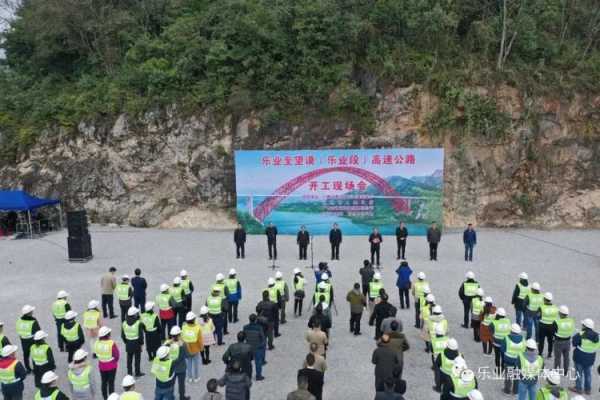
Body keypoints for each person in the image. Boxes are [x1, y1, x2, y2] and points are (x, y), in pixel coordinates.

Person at [570, 318, 599, 395]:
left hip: (579, 358)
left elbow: (574, 343)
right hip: (590, 359)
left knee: (578, 374)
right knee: (588, 374)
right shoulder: (597, 336)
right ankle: (588, 389)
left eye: (583, 325)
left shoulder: (580, 334)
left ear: (585, 326)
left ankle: (578, 388)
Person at [94, 326, 120, 400]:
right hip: (111, 366)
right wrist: (114, 361)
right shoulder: (111, 343)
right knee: (111, 383)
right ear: (107, 334)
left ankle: (105, 397)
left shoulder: (96, 343)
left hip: (102, 366)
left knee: (104, 382)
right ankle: (112, 397)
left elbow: (96, 353)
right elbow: (116, 355)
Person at [166, 326, 190, 400]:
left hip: (171, 368)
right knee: (181, 384)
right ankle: (182, 397)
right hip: (181, 368)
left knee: (171, 384)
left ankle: (171, 397)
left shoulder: (168, 343)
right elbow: (187, 355)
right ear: (179, 335)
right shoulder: (183, 344)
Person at [501, 324, 525, 395]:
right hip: (518, 361)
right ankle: (515, 391)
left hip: (509, 361)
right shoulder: (523, 339)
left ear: (511, 330)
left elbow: (502, 349)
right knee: (517, 376)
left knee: (508, 376)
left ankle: (507, 390)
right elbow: (524, 350)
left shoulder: (506, 338)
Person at [15, 304, 40, 373]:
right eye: (32, 311)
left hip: (23, 340)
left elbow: (18, 330)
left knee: (26, 354)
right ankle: (36, 369)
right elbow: (38, 331)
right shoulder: (33, 321)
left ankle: (28, 369)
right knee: (34, 354)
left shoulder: (19, 321)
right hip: (32, 340)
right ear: (29, 313)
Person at [121, 307, 144, 377]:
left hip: (128, 342)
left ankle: (129, 372)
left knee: (129, 358)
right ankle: (137, 372)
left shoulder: (124, 323)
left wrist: (126, 342)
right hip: (136, 343)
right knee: (137, 358)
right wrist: (141, 344)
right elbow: (141, 336)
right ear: (134, 315)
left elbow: (122, 335)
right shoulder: (138, 323)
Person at [243, 314, 266, 381]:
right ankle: (258, 376)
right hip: (257, 347)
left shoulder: (245, 327)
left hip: (248, 347)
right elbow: (263, 338)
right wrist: (261, 345)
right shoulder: (259, 328)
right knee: (258, 362)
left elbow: (244, 337)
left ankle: (247, 375)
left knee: (247, 362)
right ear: (256, 320)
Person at [182, 311, 203, 383]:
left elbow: (182, 338)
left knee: (188, 364)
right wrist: (201, 348)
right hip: (195, 349)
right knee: (196, 364)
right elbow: (200, 340)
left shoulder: (184, 327)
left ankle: (190, 378)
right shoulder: (197, 328)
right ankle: (196, 377)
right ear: (194, 319)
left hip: (187, 349)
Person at [552, 305, 575, 374]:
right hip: (567, 341)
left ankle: (557, 371)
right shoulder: (571, 321)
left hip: (558, 341)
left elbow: (553, 332)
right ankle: (565, 371)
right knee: (566, 357)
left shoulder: (556, 322)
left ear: (560, 313)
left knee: (557, 357)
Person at [489, 307, 511, 374]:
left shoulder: (493, 323)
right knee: (504, 356)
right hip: (506, 343)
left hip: (497, 343)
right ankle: (503, 368)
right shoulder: (508, 321)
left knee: (497, 356)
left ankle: (498, 370)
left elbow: (491, 332)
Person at [537, 292, 558, 359]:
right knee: (550, 341)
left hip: (543, 326)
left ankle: (540, 353)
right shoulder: (555, 308)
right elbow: (556, 318)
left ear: (544, 299)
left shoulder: (541, 307)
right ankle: (549, 353)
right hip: (551, 326)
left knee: (541, 340)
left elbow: (538, 316)